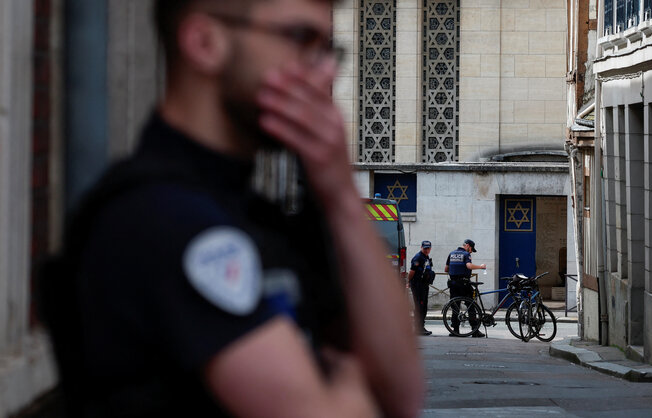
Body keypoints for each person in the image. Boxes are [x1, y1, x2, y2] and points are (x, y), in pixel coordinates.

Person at [39, 0, 423, 416]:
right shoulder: (161, 218)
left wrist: (342, 196)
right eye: (299, 38)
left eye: (329, 49)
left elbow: (402, 394)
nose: (326, 72)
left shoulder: (255, 214)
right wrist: (353, 389)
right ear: (204, 42)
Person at [444, 239, 487, 338]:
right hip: (464, 283)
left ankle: (455, 330)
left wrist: (456, 271)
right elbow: (468, 266)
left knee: (455, 306)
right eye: (471, 249)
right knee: (471, 305)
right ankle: (474, 330)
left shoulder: (451, 254)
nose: (471, 251)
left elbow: (446, 269)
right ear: (467, 246)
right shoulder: (466, 254)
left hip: (453, 284)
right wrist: (480, 267)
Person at [408, 240, 434, 336]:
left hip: (424, 285)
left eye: (428, 248)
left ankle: (421, 327)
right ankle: (418, 328)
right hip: (418, 285)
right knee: (419, 306)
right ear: (421, 247)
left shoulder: (426, 257)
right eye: (425, 248)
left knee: (423, 307)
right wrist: (408, 282)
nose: (427, 250)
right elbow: (411, 272)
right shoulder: (418, 257)